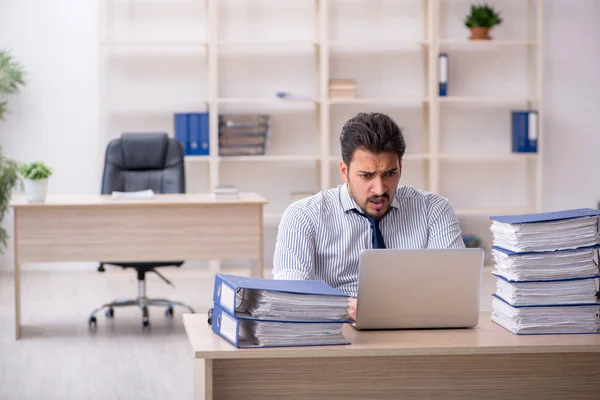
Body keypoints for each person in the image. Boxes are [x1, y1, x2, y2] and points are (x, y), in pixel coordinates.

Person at [272, 112, 465, 320]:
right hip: (336, 330)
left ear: (401, 167)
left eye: (390, 174)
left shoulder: (433, 210)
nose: (380, 189)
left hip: (416, 328)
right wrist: (342, 306)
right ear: (344, 171)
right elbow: (289, 294)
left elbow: (453, 288)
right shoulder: (303, 215)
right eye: (367, 176)